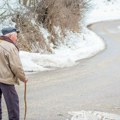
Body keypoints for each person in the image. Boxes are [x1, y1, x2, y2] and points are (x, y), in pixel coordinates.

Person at [0, 27, 28, 120]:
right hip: (5, 80)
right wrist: (23, 78)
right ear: (11, 36)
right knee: (13, 106)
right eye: (16, 35)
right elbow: (16, 66)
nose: (17, 37)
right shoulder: (10, 47)